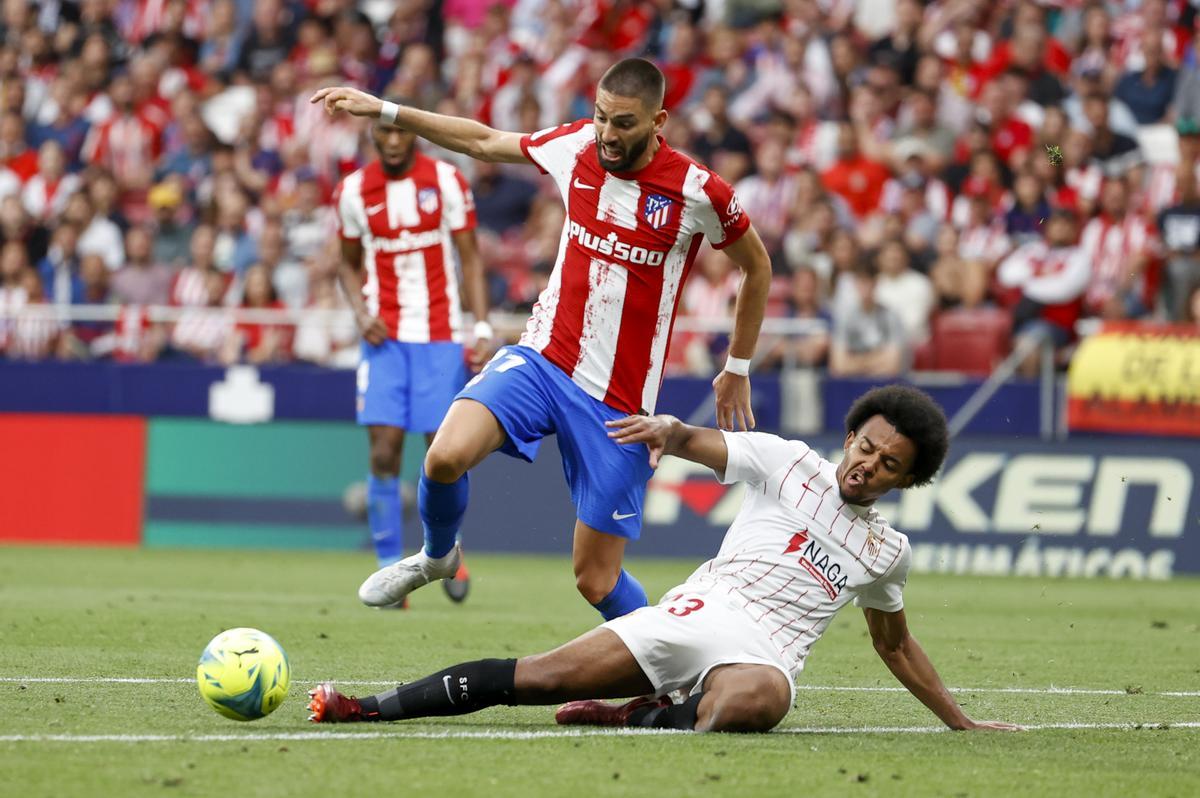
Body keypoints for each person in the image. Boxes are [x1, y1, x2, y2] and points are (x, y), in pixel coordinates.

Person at [312, 57, 771, 620]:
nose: (607, 133)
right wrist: (386, 110)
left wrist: (738, 365)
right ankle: (437, 557)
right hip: (542, 360)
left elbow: (758, 267)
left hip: (618, 401)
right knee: (444, 457)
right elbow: (482, 141)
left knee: (596, 579)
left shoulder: (698, 190)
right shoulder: (575, 146)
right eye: (601, 117)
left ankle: (666, 675)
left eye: (624, 123)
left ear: (659, 122)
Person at [307, 386, 1021, 734]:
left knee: (757, 703)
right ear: (851, 434)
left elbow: (895, 647)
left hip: (764, 653)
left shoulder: (886, 553)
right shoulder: (787, 463)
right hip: (698, 610)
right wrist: (669, 430)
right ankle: (365, 708)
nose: (867, 465)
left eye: (888, 464)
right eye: (865, 446)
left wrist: (961, 722)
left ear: (905, 480)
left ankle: (635, 719)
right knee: (541, 677)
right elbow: (702, 442)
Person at [334, 99, 491, 604]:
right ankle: (387, 567)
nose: (395, 141)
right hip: (386, 339)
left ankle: (449, 551)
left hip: (441, 336)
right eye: (385, 135)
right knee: (382, 451)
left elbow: (470, 258)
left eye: (402, 132)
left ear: (414, 133)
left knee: (443, 454)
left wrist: (481, 324)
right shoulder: (354, 192)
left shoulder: (446, 181)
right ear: (373, 139)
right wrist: (360, 314)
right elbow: (345, 261)